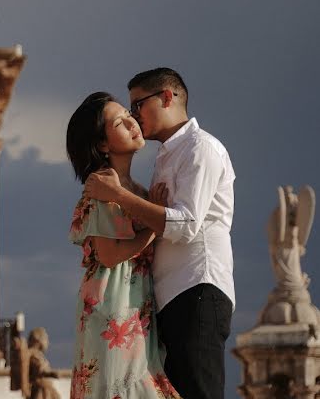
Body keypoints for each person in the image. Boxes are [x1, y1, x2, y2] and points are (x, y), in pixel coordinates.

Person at [86, 68, 235, 399]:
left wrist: (120, 196)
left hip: (197, 289)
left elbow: (184, 226)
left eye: (137, 105)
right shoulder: (168, 156)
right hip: (171, 299)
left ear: (167, 97)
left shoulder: (200, 149)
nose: (136, 117)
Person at [67, 92, 179, 399]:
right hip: (111, 302)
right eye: (120, 122)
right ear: (102, 144)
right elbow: (109, 254)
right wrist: (154, 229)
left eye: (130, 115)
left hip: (135, 300)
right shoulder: (102, 186)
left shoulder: (137, 192)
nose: (133, 122)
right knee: (119, 386)